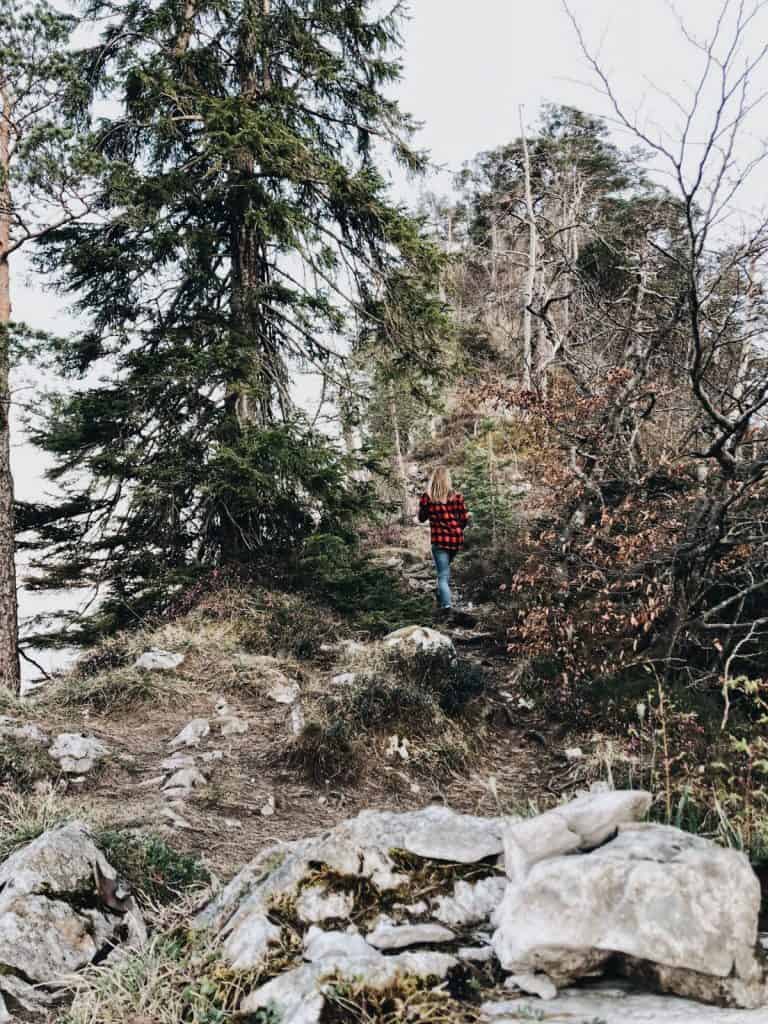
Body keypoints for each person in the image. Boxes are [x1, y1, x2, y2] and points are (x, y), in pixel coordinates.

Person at [418, 466, 469, 614]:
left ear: (433, 480)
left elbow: (421, 518)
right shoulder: (457, 497)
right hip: (455, 541)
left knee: (443, 575)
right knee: (444, 573)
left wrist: (425, 508)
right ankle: (441, 600)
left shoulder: (427, 498)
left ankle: (446, 607)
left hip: (439, 541)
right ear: (447, 480)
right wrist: (457, 529)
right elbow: (464, 519)